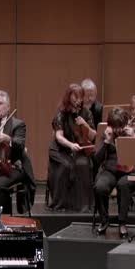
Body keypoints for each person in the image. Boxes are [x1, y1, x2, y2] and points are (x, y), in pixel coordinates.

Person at [47, 83, 95, 212]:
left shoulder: (86, 112)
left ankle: (83, 205)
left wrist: (85, 124)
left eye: (80, 96)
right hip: (60, 149)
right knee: (66, 166)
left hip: (79, 150)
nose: (78, 99)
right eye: (75, 96)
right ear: (69, 96)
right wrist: (71, 145)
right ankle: (61, 203)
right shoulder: (61, 113)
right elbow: (59, 136)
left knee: (83, 164)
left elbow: (93, 135)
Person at [93, 107, 135, 238]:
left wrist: (133, 137)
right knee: (100, 187)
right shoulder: (106, 135)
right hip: (110, 170)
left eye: (120, 126)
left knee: (123, 185)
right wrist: (106, 142)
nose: (118, 130)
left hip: (129, 171)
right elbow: (96, 160)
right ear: (110, 125)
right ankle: (104, 221)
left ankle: (122, 223)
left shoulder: (133, 132)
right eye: (115, 127)